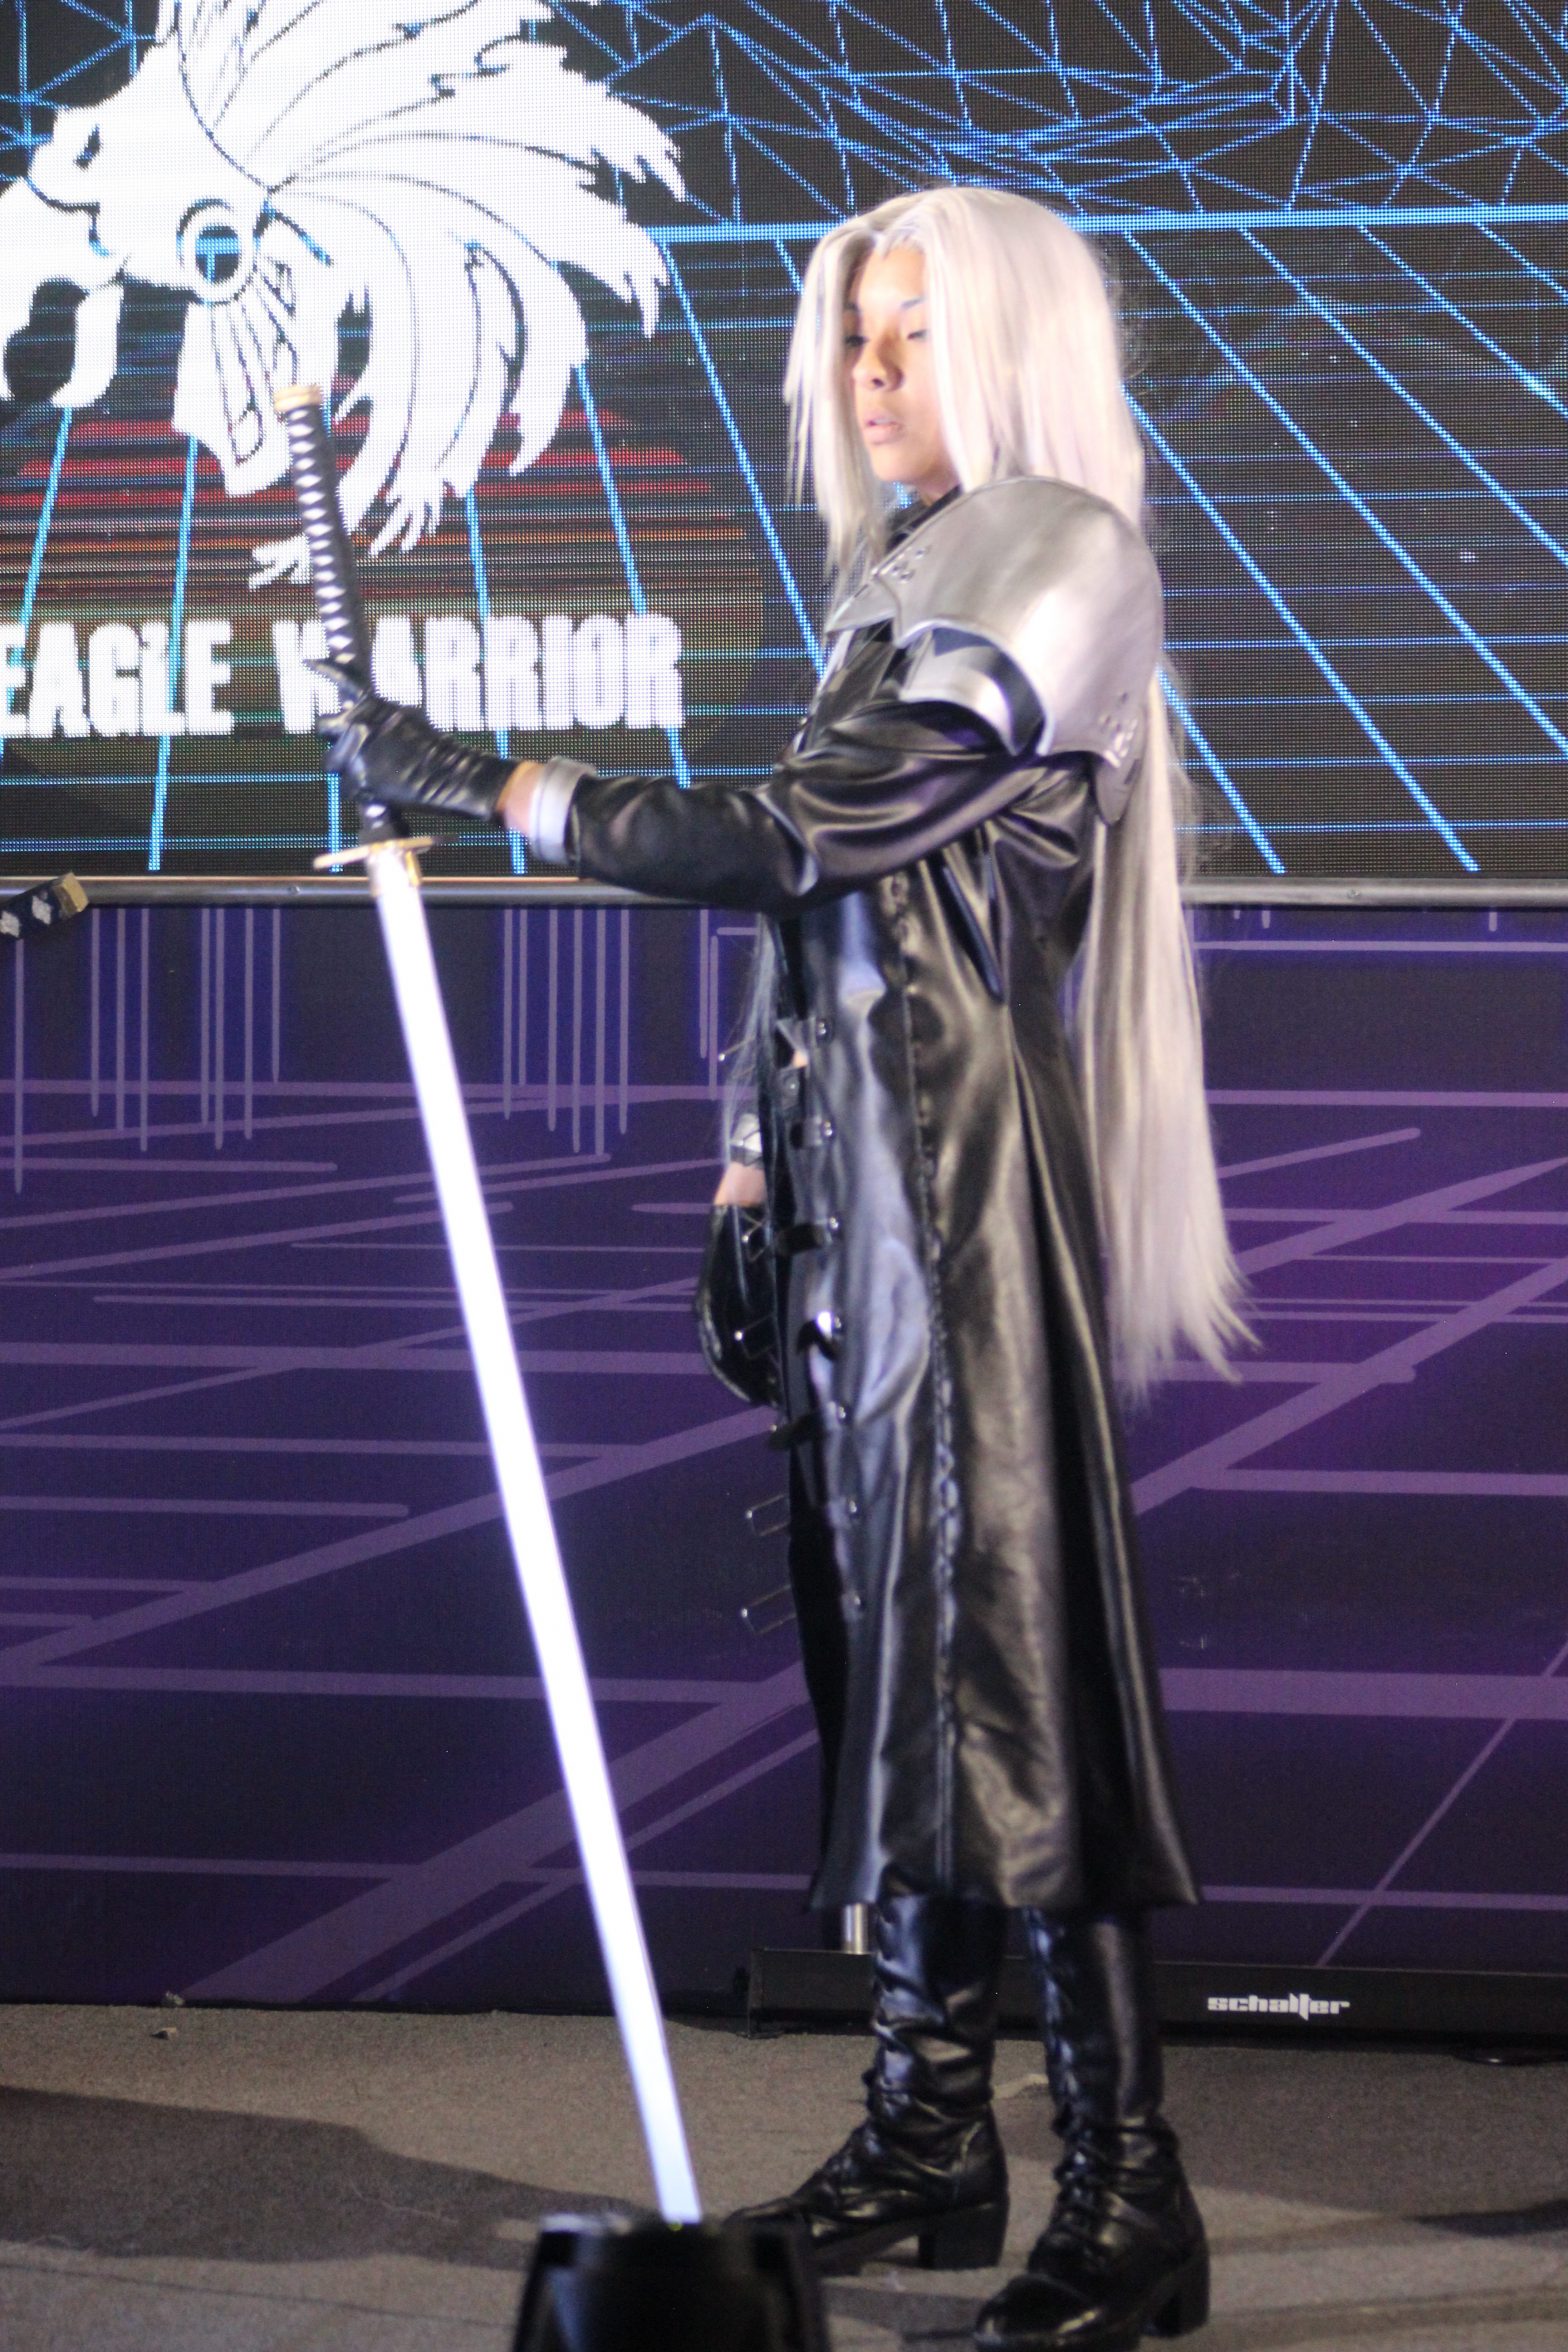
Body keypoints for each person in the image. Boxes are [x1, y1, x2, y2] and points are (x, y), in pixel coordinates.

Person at [319, 185, 1245, 2352]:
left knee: (1014, 1686)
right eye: (852, 336)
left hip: (965, 1197)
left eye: (912, 334)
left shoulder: (1060, 551)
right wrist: (751, 1175)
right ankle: (929, 2138)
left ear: (1006, 346)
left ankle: (1133, 2199)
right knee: (890, 1678)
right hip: (855, 1202)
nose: (872, 372)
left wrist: (487, 781)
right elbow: (820, 936)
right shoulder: (899, 573)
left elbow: (798, 840)